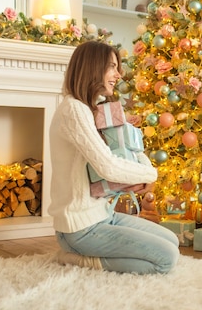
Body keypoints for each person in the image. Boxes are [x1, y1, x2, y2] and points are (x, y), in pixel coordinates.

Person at [48, 40, 180, 274]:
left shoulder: (90, 109)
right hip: (81, 228)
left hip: (102, 215)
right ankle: (78, 259)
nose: (118, 74)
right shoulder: (74, 110)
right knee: (166, 259)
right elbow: (107, 166)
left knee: (172, 241)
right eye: (111, 67)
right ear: (92, 68)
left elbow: (123, 155)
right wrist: (151, 174)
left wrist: (144, 171)